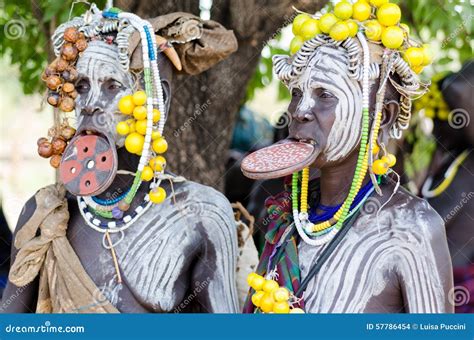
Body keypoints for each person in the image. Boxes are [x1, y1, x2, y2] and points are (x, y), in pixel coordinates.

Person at [1, 4, 240, 313]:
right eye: (82, 86)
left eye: (111, 86)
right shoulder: (45, 214)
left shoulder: (201, 213)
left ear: (159, 100)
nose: (89, 105)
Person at [241, 1, 453, 313]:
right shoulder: (289, 218)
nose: (299, 111)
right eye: (297, 93)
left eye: (325, 95)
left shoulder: (412, 229)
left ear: (384, 115)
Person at [420, 61, 474, 313]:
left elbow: (459, 87)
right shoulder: (444, 163)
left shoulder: (469, 165)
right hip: (428, 287)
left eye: (443, 120)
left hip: (457, 296)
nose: (435, 130)